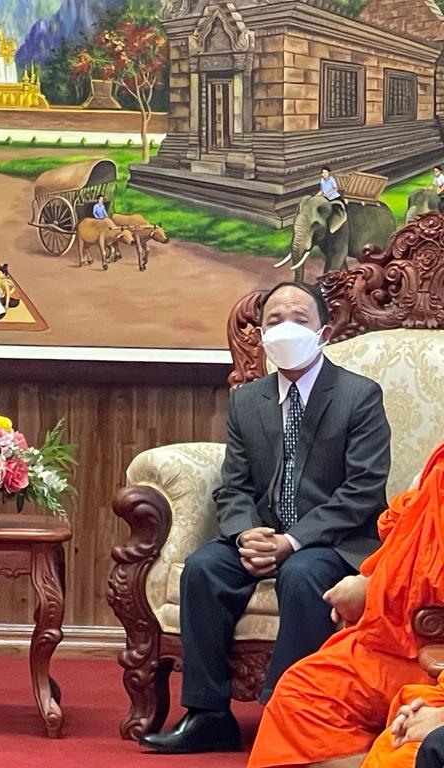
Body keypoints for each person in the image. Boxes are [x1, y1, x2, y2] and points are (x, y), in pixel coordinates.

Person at [142, 280, 391, 756]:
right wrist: (244, 533)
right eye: (274, 320)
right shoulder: (247, 400)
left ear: (324, 329)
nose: (286, 329)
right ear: (259, 332)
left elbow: (363, 490)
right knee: (204, 568)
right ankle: (207, 714)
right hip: (262, 534)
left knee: (301, 575)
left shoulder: (359, 396)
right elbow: (233, 484)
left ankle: (285, 712)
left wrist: (291, 542)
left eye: (299, 318)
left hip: (333, 543)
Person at [248, 439, 444, 768]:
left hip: (431, 652)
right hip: (395, 637)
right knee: (300, 695)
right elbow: (407, 551)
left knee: (404, 750)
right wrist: (369, 587)